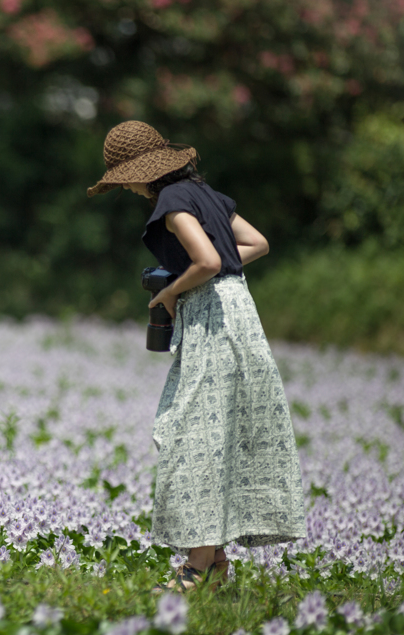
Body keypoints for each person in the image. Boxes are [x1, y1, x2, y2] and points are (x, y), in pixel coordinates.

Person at [87, 121, 307, 592]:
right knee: (217, 432)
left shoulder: (170, 202)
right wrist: (213, 270)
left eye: (122, 177)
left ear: (139, 173)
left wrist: (170, 291)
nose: (123, 186)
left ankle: (196, 567)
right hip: (242, 315)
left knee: (191, 435)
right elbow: (256, 244)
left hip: (211, 318)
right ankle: (215, 563)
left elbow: (206, 261)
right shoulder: (209, 194)